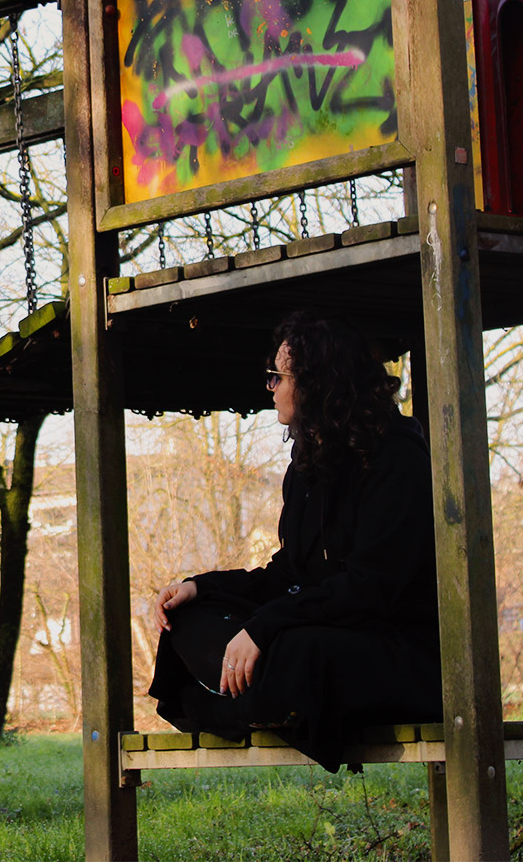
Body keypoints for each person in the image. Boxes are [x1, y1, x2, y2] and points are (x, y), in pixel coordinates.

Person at [145, 311, 442, 772]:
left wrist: (264, 628)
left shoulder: (396, 458)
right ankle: (258, 701)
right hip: (324, 627)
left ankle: (242, 703)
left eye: (277, 377)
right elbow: (288, 574)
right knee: (186, 619)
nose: (270, 388)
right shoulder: (309, 463)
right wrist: (200, 587)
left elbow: (370, 587)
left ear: (318, 382)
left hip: (394, 648)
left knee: (297, 651)